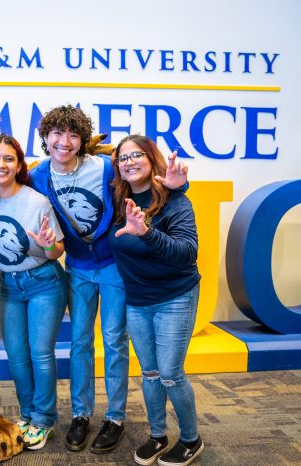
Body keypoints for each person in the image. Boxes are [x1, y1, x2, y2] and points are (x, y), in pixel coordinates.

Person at [30, 105, 188, 454]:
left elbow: (149, 183)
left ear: (83, 140)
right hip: (78, 268)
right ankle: (81, 414)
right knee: (80, 342)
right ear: (45, 138)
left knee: (115, 341)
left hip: (117, 266)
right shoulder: (38, 175)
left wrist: (182, 185)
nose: (64, 141)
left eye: (73, 134)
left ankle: (115, 417)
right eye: (57, 133)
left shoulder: (105, 167)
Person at [109, 134, 203, 466]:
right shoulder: (117, 198)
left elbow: (187, 254)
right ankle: (158, 434)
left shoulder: (174, 201)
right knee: (149, 373)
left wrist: (147, 232)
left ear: (151, 160)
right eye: (123, 157)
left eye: (137, 155)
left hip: (175, 296)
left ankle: (191, 439)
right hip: (137, 300)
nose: (129, 161)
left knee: (170, 373)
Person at [0, 134, 67, 450]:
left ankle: (44, 420)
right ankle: (27, 415)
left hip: (44, 282)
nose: (1, 165)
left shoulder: (36, 201)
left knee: (39, 353)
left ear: (19, 165)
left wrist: (46, 244)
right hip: (9, 286)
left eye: (8, 159)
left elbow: (57, 251)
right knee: (16, 355)